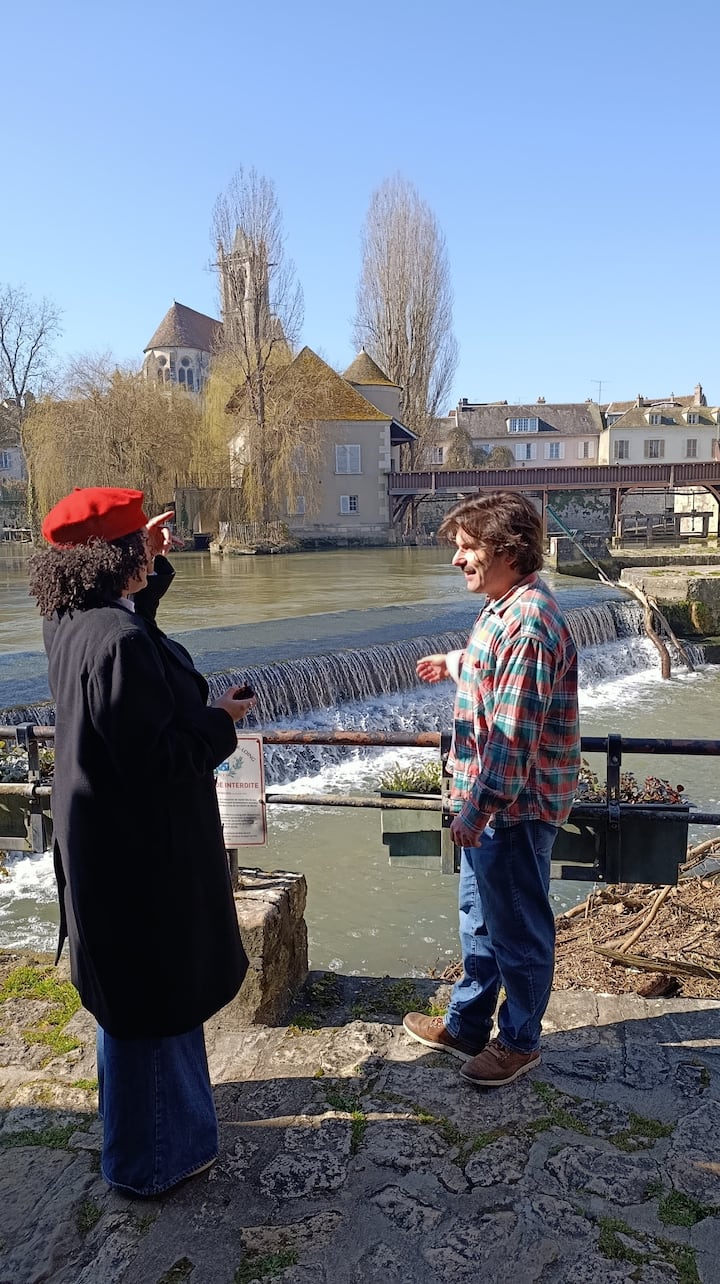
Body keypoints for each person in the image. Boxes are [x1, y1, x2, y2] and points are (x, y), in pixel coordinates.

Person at [28, 486, 256, 1195]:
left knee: (130, 1001)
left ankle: (151, 1141)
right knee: (155, 1001)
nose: (149, 558)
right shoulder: (119, 643)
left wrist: (145, 561)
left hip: (103, 846)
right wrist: (220, 721)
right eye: (138, 549)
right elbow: (158, 759)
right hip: (142, 858)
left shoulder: (70, 617)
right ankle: (153, 1163)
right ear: (112, 561)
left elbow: (132, 631)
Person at [402, 492, 580, 1087]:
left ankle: (520, 1042)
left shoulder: (528, 624)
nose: (457, 559)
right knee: (479, 920)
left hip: (513, 808)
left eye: (467, 548)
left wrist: (477, 810)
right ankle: (467, 1024)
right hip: (494, 805)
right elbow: (493, 670)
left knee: (518, 929)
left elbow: (512, 739)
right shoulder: (505, 607)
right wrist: (454, 662)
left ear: (507, 549)